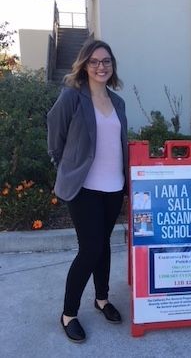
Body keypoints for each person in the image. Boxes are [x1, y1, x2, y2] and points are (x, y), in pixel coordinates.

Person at [47, 39, 128, 343]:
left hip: (113, 187)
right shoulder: (72, 97)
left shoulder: (118, 102)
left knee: (104, 245)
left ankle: (102, 299)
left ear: (112, 65)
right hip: (84, 189)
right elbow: (55, 134)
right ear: (84, 64)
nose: (101, 66)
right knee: (90, 249)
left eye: (106, 61)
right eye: (94, 61)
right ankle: (68, 313)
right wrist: (64, 166)